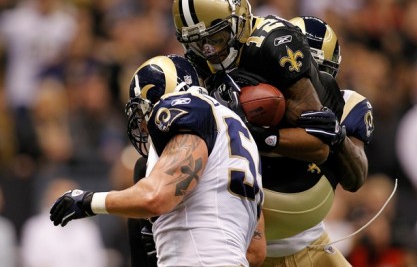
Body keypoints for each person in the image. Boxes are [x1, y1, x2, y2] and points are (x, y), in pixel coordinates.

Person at [172, 0, 371, 264]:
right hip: (253, 222)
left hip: (300, 213)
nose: (210, 51)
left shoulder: (279, 48)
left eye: (216, 38)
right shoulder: (199, 62)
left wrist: (253, 133)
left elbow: (333, 159)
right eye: (199, 43)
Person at [49, 54, 264, 266]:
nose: (143, 126)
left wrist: (88, 202)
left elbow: (155, 196)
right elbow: (256, 251)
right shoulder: (235, 133)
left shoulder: (188, 109)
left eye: (144, 112)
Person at [257, 16, 374, 266]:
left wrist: (339, 138)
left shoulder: (349, 104)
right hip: (247, 242)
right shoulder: (256, 99)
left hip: (309, 242)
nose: (307, 83)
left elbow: (356, 177)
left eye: (314, 72)